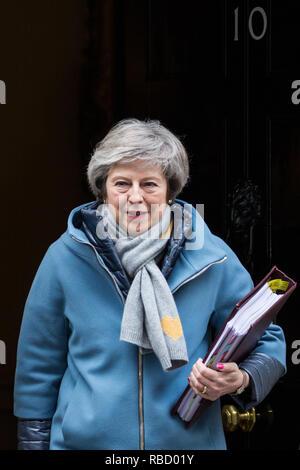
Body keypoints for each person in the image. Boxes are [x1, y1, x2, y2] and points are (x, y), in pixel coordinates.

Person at [14, 118, 286, 450]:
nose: (135, 197)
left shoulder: (210, 255)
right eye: (122, 183)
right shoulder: (65, 257)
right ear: (103, 188)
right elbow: (38, 370)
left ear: (171, 190)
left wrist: (239, 379)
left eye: (150, 184)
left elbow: (268, 338)